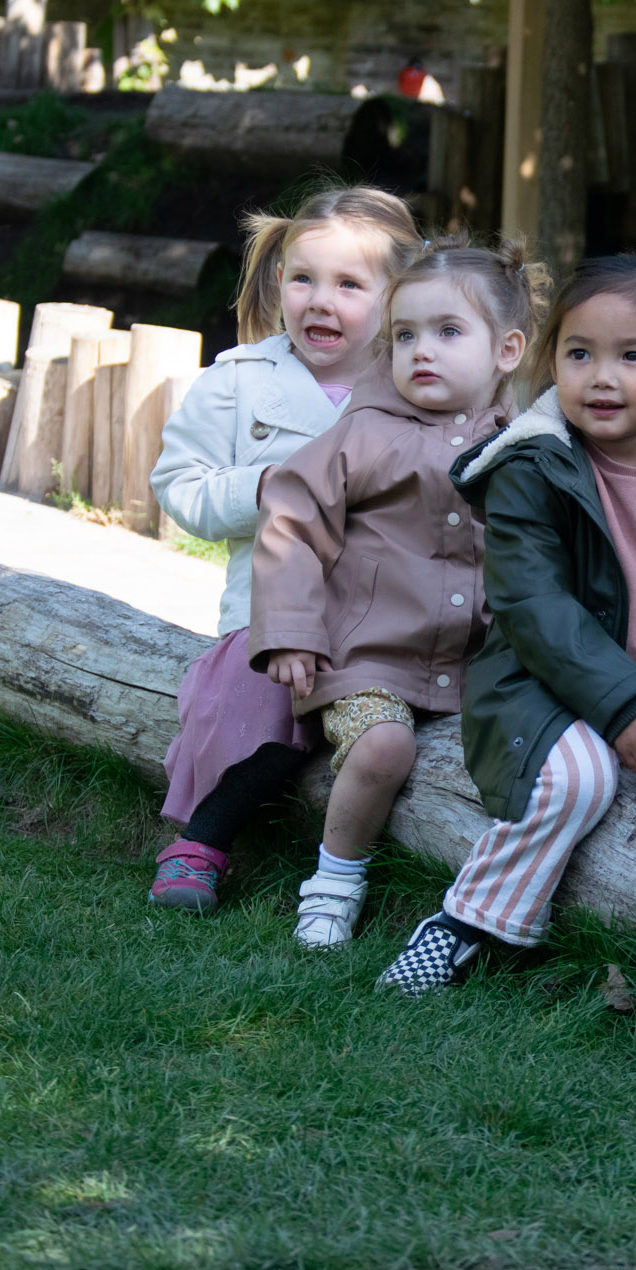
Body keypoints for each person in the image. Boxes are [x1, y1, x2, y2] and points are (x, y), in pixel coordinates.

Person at [374, 246, 636, 997]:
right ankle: (465, 924)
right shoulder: (530, 465)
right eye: (579, 353)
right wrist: (617, 705)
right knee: (579, 779)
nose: (602, 376)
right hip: (543, 685)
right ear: (551, 361)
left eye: (631, 356)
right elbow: (532, 605)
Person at [248, 238, 544, 948]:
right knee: (382, 748)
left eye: (447, 333)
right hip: (365, 661)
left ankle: (500, 911)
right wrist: (290, 630)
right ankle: (333, 882)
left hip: (471, 670)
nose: (421, 351)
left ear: (506, 351)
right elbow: (291, 517)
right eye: (405, 334)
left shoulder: (528, 445)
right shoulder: (366, 432)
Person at [148, 184, 419, 914]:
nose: (319, 302)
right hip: (272, 612)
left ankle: (353, 869)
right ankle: (202, 840)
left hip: (386, 618)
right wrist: (262, 485)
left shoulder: (420, 388)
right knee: (258, 701)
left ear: (399, 297)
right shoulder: (240, 382)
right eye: (302, 279)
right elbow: (179, 486)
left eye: (349, 285)